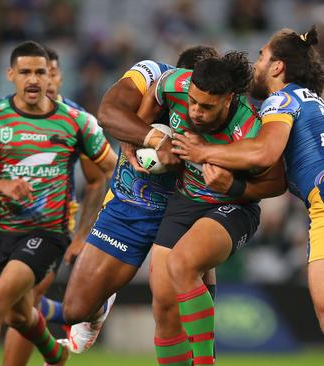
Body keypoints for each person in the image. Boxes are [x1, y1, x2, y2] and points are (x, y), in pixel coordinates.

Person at [172, 27, 324, 366]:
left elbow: (265, 152)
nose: (256, 65)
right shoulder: (313, 100)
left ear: (278, 67)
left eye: (262, 56)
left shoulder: (282, 98)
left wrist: (203, 150)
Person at [0, 41, 116, 366]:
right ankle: (56, 352)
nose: (33, 79)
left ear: (52, 76)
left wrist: (91, 232)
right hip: (4, 233)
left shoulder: (76, 122)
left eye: (41, 72)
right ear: (11, 75)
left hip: (48, 233)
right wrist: (3, 186)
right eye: (26, 72)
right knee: (19, 315)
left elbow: (111, 169)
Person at [60, 46, 222, 356]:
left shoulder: (223, 103)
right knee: (74, 310)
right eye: (192, 95)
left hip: (183, 213)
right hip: (129, 207)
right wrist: (155, 139)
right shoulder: (150, 73)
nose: (198, 107)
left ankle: (205, 356)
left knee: (181, 316)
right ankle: (100, 306)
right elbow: (108, 113)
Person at [134, 51, 286, 365]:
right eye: (192, 102)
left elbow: (278, 182)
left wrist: (234, 186)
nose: (196, 111)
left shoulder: (251, 127)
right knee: (163, 303)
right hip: (185, 200)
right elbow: (150, 101)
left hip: (232, 206)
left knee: (183, 263)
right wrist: (143, 141)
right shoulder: (176, 82)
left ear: (228, 99)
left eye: (206, 106)